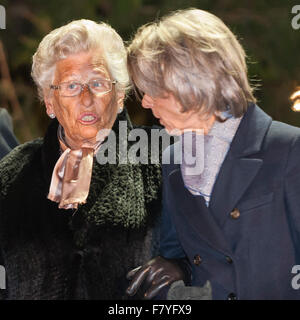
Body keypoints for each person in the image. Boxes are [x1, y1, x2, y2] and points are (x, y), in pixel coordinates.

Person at [126, 8, 300, 300]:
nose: (145, 102)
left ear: (192, 84)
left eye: (154, 90)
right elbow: (183, 251)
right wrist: (177, 266)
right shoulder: (173, 160)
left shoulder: (288, 150)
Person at [0, 19, 162, 300]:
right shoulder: (12, 174)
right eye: (72, 86)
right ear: (50, 102)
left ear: (120, 95)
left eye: (97, 83)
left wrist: (181, 266)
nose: (86, 99)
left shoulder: (160, 158)